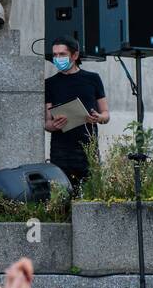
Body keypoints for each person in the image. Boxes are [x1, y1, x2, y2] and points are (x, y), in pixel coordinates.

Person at [44, 37, 109, 188]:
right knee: (61, 193)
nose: (58, 58)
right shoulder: (50, 83)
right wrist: (53, 125)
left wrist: (99, 118)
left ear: (74, 55)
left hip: (87, 148)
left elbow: (106, 114)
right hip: (60, 150)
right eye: (55, 55)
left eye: (62, 54)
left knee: (89, 191)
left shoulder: (92, 79)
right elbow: (47, 123)